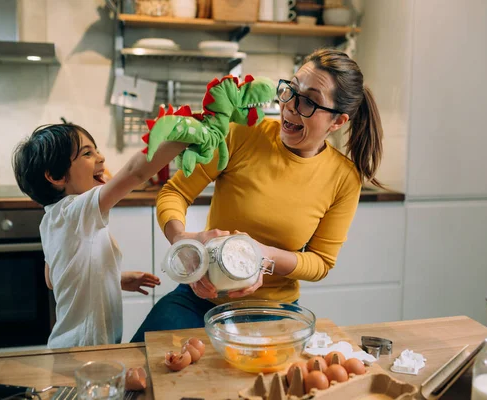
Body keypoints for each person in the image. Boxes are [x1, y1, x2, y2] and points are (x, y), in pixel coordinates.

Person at [131, 48, 383, 342]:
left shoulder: (343, 178)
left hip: (273, 313)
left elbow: (320, 263)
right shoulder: (242, 133)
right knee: (138, 369)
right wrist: (184, 245)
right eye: (291, 89)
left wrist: (265, 256)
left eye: (310, 101)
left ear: (337, 121)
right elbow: (175, 192)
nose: (290, 105)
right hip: (199, 299)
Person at [12, 123, 186, 348]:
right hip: (84, 350)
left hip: (72, 347)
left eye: (96, 150)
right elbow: (135, 172)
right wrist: (185, 135)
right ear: (55, 176)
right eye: (87, 153)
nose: (101, 158)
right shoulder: (73, 212)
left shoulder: (53, 220)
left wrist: (115, 279)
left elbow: (52, 278)